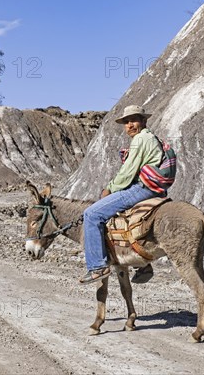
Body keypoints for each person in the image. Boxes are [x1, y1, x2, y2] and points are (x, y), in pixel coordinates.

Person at [78, 104, 164, 284]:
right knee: (123, 219)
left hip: (143, 188)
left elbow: (128, 172)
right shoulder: (150, 138)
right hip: (155, 189)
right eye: (126, 122)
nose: (130, 125)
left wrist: (110, 188)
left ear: (144, 121)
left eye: (133, 120)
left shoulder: (141, 139)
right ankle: (142, 265)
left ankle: (97, 267)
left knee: (92, 214)